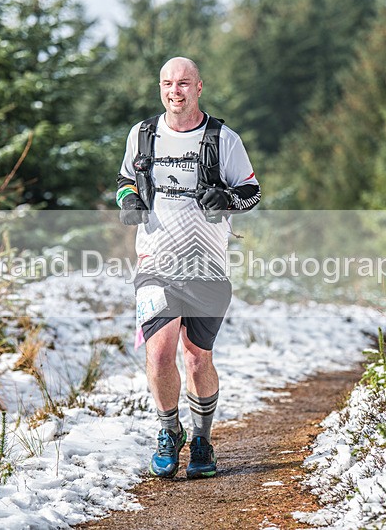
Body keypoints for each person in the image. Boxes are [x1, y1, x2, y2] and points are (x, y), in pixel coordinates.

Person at [115, 56, 260, 479]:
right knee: (160, 354)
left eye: (182, 83)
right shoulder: (142, 134)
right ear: (160, 88)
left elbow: (251, 191)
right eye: (167, 83)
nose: (174, 91)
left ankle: (201, 439)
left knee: (197, 359)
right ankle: (168, 431)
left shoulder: (222, 139)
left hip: (207, 268)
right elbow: (125, 180)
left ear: (199, 87)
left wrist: (227, 199)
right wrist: (128, 200)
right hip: (155, 264)